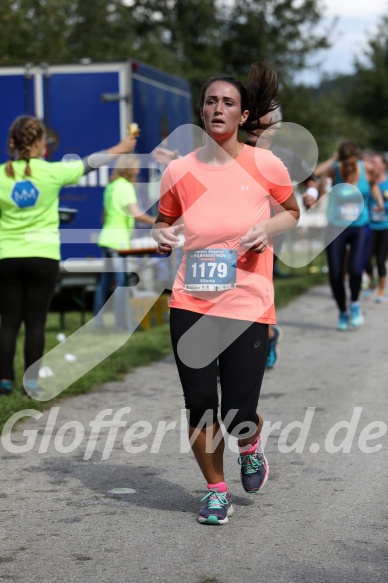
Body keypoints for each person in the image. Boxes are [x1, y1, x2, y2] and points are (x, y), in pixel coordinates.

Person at [152, 62, 300, 525]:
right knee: (200, 403)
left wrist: (265, 227)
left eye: (228, 103)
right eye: (211, 101)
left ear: (243, 115)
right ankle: (215, 490)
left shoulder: (265, 164)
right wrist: (162, 234)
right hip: (191, 301)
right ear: (202, 109)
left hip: (247, 302)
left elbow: (292, 212)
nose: (218, 108)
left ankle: (250, 446)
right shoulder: (179, 170)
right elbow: (164, 219)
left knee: (239, 411)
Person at [0, 115, 137, 397]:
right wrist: (120, 148)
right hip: (43, 257)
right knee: (36, 322)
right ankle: (32, 383)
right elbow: (89, 163)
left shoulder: (2, 175)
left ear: (12, 143)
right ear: (40, 144)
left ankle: (3, 383)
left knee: (9, 322)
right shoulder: (52, 173)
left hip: (7, 257)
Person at [319, 140, 384, 331]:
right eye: (345, 163)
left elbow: (372, 186)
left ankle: (354, 304)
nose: (349, 167)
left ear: (357, 159)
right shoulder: (334, 170)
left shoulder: (367, 169)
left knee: (356, 269)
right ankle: (342, 312)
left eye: (352, 163)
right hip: (336, 227)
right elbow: (320, 183)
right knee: (336, 273)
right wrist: (323, 185)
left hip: (360, 227)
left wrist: (379, 201)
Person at [93, 155, 154, 330]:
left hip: (106, 238)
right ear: (127, 168)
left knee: (105, 281)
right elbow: (136, 213)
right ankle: (121, 323)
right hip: (118, 242)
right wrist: (157, 222)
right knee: (122, 281)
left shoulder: (111, 186)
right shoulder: (125, 187)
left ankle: (98, 321)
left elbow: (104, 216)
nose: (137, 171)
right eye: (135, 167)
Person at [364, 153, 388, 302]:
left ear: (384, 165)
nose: (373, 165)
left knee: (380, 259)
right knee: (365, 259)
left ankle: (381, 290)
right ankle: (372, 281)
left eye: (376, 162)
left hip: (385, 227)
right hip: (370, 226)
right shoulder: (367, 181)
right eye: (371, 162)